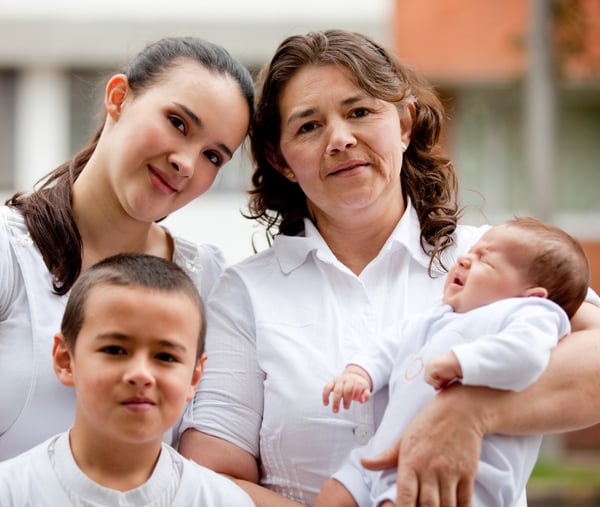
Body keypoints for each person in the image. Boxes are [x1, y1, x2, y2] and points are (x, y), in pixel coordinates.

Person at [176, 29, 600, 507]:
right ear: (281, 160)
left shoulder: (492, 258)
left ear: (404, 125)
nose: (339, 139)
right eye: (308, 126)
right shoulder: (245, 293)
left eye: (359, 112)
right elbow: (210, 476)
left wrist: (470, 409)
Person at [0, 35, 254, 461]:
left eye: (213, 156)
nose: (186, 163)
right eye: (178, 123)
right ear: (119, 98)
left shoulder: (211, 283)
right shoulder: (10, 253)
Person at [317, 217, 587, 507]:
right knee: (334, 495)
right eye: (470, 252)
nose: (465, 259)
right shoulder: (438, 316)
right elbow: (393, 343)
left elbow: (526, 356)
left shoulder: (532, 314)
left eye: (486, 261)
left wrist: (462, 362)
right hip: (387, 450)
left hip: (457, 471)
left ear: (531, 294)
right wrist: (360, 372)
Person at [0, 253, 255, 506]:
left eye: (165, 356)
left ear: (194, 377)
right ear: (66, 360)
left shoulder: (222, 501)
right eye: (114, 350)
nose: (141, 374)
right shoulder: (10, 492)